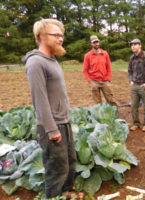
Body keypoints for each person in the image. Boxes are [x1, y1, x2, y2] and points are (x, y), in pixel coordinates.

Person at [23, 18, 82, 199]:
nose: (61, 38)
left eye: (61, 35)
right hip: (52, 126)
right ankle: (54, 196)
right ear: (40, 36)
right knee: (56, 169)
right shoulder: (36, 63)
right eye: (56, 35)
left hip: (64, 122)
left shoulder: (52, 60)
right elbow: (39, 100)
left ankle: (65, 193)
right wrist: (51, 129)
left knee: (69, 163)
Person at [82, 35, 118, 106]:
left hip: (105, 81)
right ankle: (99, 115)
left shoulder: (105, 53)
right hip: (94, 81)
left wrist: (108, 78)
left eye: (97, 42)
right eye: (94, 42)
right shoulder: (88, 55)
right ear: (91, 44)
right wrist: (90, 81)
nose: (96, 44)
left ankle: (114, 113)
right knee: (97, 102)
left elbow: (109, 68)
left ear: (99, 42)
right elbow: (85, 70)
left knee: (111, 99)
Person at [128, 39, 145, 132]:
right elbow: (130, 70)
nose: (133, 46)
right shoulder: (132, 58)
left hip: (143, 86)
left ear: (140, 45)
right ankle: (136, 123)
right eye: (132, 45)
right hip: (134, 85)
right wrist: (131, 80)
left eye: (135, 44)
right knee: (133, 106)